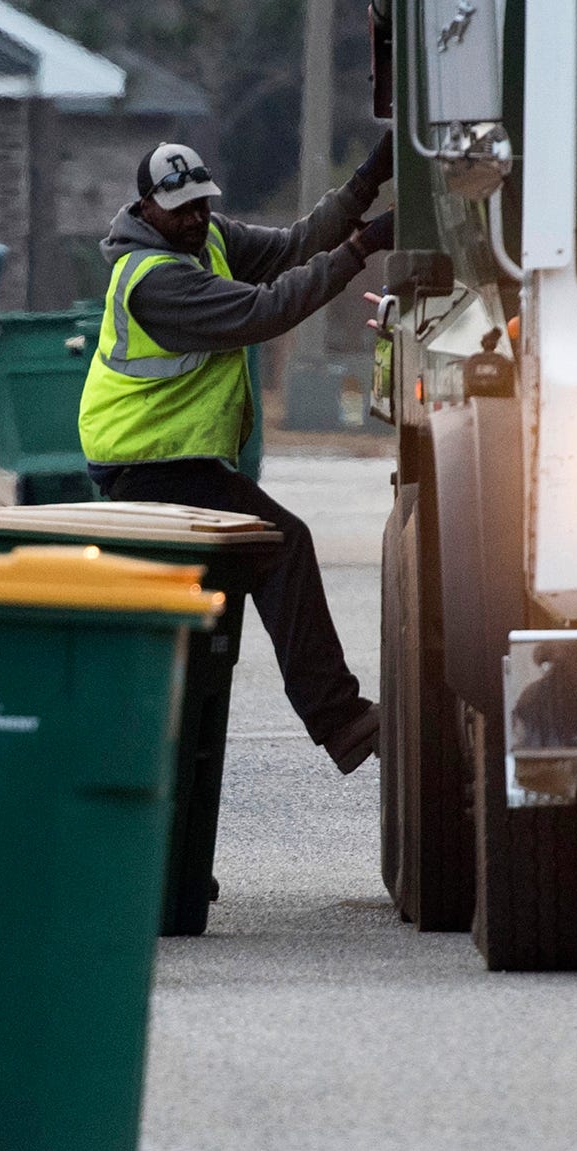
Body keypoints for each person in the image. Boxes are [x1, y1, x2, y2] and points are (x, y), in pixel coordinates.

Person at [78, 134, 396, 773]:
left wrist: (368, 180)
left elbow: (292, 246)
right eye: (181, 209)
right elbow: (267, 310)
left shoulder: (208, 239)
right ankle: (340, 722)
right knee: (281, 545)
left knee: (248, 569)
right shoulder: (154, 281)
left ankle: (310, 721)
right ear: (146, 210)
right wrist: (362, 247)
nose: (196, 218)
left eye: (202, 203)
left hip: (183, 463)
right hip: (144, 467)